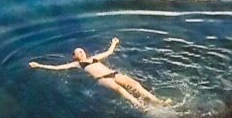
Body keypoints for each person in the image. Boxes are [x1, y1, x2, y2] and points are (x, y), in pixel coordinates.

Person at [30, 37, 166, 111]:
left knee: (136, 84)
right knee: (121, 90)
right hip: (102, 79)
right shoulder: (77, 64)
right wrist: (39, 65)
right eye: (77, 52)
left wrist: (113, 43)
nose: (80, 51)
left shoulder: (94, 58)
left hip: (113, 73)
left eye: (81, 50)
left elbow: (108, 52)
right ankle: (141, 107)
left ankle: (158, 101)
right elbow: (57, 68)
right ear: (74, 57)